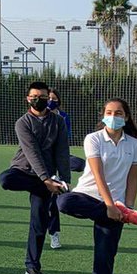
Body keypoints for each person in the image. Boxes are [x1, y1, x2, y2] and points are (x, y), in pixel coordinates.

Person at [56, 99, 137, 274]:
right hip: (89, 197)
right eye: (109, 112)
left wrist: (127, 206)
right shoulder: (93, 139)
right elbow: (98, 175)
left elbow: (133, 178)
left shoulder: (134, 144)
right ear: (103, 116)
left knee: (104, 259)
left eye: (118, 113)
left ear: (126, 117)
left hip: (116, 207)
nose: (113, 116)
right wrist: (109, 207)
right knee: (64, 202)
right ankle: (113, 211)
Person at [0, 80, 71, 274]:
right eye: (34, 97)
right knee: (5, 179)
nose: (39, 100)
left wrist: (64, 181)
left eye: (43, 97)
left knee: (39, 221)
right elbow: (32, 153)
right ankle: (45, 186)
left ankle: (32, 267)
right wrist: (46, 180)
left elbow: (62, 152)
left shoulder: (58, 122)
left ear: (49, 98)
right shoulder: (22, 123)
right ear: (27, 99)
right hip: (26, 172)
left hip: (47, 178)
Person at [46, 87, 88, 251]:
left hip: (62, 157)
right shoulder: (37, 117)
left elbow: (65, 138)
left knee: (83, 164)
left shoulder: (63, 117)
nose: (51, 101)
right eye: (48, 98)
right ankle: (54, 234)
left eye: (54, 98)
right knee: (52, 201)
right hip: (46, 162)